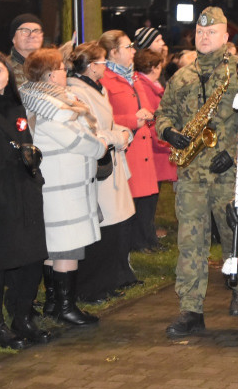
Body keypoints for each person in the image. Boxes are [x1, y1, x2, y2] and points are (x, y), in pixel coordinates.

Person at [154, 6, 238, 336]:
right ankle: (191, 308)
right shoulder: (181, 77)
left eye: (212, 32)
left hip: (228, 174)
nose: (205, 37)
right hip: (192, 172)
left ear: (225, 36)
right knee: (190, 240)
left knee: (234, 235)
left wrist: (234, 153)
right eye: (200, 32)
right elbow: (162, 115)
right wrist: (168, 133)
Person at [19, 48, 107, 327]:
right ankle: (65, 308)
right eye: (59, 68)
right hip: (62, 188)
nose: (64, 72)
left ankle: (54, 303)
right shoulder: (50, 109)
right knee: (66, 248)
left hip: (63, 185)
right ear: (48, 74)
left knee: (57, 247)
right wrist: (102, 144)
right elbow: (79, 141)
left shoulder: (46, 101)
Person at [0, 51, 51, 348]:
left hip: (25, 191)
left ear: (8, 74)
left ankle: (23, 317)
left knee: (32, 258)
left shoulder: (16, 105)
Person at [67, 41, 138, 302]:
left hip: (110, 161)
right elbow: (88, 130)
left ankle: (109, 280)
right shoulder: (77, 93)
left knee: (115, 227)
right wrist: (117, 136)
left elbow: (106, 121)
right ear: (90, 67)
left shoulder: (97, 88)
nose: (105, 67)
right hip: (98, 165)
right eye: (101, 63)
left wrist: (120, 131)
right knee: (102, 229)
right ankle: (91, 286)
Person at [98, 30, 161, 255]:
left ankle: (145, 239)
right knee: (130, 199)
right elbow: (102, 118)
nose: (133, 51)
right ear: (113, 52)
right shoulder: (104, 79)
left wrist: (149, 116)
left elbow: (144, 106)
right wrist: (132, 120)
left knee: (146, 199)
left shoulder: (132, 76)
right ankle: (135, 243)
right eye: (127, 47)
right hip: (126, 147)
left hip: (142, 146)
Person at [134, 48, 177, 205]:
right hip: (154, 150)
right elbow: (152, 119)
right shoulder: (146, 87)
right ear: (153, 68)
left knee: (150, 200)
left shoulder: (150, 85)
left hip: (155, 150)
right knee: (147, 202)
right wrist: (167, 143)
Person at [7, 14, 45, 86]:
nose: (32, 35)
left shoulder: (52, 66)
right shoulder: (4, 69)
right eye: (25, 31)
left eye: (36, 31)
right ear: (13, 38)